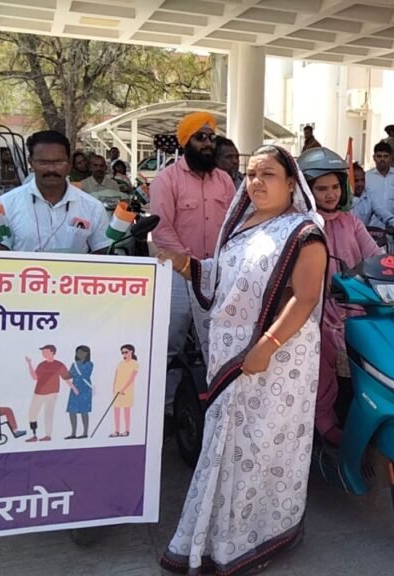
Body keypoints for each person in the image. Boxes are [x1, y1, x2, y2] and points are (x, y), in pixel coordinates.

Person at [157, 144, 327, 575]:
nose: (256, 182)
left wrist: (267, 345)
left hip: (279, 361)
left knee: (263, 446)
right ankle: (219, 536)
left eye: (267, 174)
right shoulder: (243, 226)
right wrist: (182, 263)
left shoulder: (304, 232)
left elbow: (305, 298)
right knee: (229, 446)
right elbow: (222, 278)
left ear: (291, 183)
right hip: (234, 356)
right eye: (251, 174)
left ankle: (258, 536)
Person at [299, 146, 382, 445]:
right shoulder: (301, 225)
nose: (330, 194)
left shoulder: (351, 221)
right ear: (306, 191)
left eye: (335, 187)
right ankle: (323, 422)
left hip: (354, 306)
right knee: (323, 354)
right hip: (313, 311)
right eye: (321, 189)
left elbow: (375, 255)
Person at [150, 112, 236, 366]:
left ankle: (211, 389)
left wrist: (214, 267)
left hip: (218, 272)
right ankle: (167, 391)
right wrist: (191, 266)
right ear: (185, 141)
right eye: (200, 137)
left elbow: (235, 224)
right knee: (170, 341)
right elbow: (162, 229)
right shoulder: (166, 179)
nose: (207, 143)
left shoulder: (224, 180)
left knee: (218, 341)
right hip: (178, 272)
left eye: (211, 138)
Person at [0, 130, 110, 254]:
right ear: (31, 162)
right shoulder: (5, 204)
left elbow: (103, 253)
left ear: (69, 164)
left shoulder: (93, 207)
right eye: (43, 162)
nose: (51, 169)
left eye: (58, 162)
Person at [24, 344, 74, 443]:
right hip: (39, 391)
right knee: (32, 413)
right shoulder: (41, 365)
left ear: (52, 352)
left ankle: (48, 435)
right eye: (43, 352)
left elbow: (66, 378)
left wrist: (73, 388)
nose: (43, 353)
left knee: (48, 413)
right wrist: (29, 364)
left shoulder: (59, 364)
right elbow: (35, 377)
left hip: (52, 392)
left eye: (46, 351)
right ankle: (34, 435)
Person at [364, 141, 394, 232]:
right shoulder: (366, 177)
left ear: (390, 157)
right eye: (379, 156)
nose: (382, 159)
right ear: (374, 157)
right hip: (371, 228)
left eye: (385, 156)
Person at [110, 345, 139, 437]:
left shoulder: (134, 363)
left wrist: (123, 389)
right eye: (122, 352)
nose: (124, 354)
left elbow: (131, 378)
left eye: (126, 352)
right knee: (116, 409)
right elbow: (116, 376)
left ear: (131, 352)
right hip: (117, 389)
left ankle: (126, 430)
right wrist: (114, 387)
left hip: (127, 390)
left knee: (126, 410)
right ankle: (117, 431)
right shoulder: (120, 363)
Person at [66, 345, 93, 440]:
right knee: (72, 411)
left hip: (85, 388)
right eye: (78, 352)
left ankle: (85, 433)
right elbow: (69, 375)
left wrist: (72, 374)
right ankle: (73, 433)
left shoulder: (89, 364)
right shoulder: (74, 364)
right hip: (74, 387)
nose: (80, 354)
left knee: (84, 411)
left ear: (87, 354)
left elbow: (84, 375)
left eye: (82, 352)